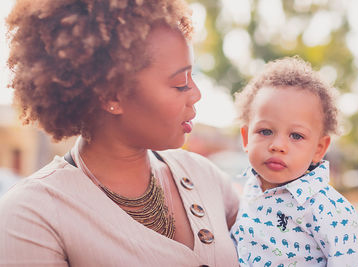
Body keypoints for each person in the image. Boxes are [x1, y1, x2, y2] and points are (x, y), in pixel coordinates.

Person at [0, 0, 239, 266]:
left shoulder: (205, 177)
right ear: (112, 95)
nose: (196, 94)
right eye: (180, 83)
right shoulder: (32, 215)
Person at [230, 57, 358, 266]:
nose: (278, 145)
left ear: (319, 149)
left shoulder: (330, 211)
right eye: (265, 131)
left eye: (296, 136)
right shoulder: (250, 190)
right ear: (246, 138)